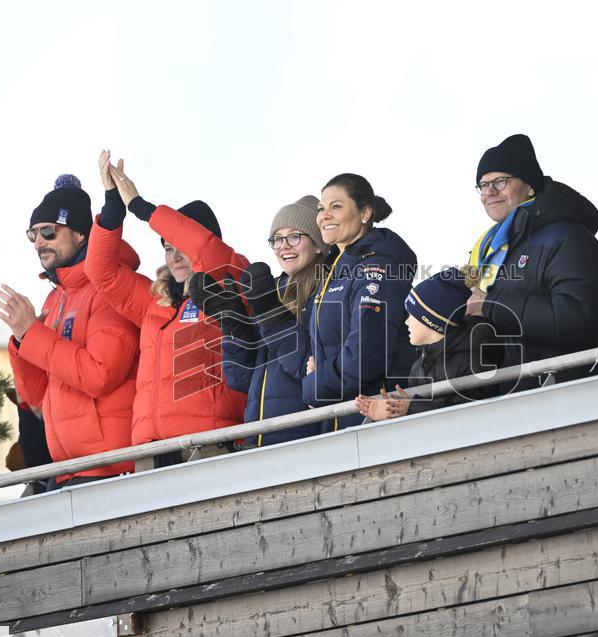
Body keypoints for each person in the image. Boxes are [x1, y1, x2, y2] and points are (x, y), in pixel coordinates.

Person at [85, 152, 248, 464]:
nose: (173, 257)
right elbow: (100, 272)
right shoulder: (155, 301)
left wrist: (142, 209)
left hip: (208, 444)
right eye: (167, 249)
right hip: (151, 450)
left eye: (180, 247)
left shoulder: (231, 279)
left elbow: (207, 250)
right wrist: (112, 210)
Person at [0, 174, 140, 487]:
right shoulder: (56, 297)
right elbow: (37, 399)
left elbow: (100, 374)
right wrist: (22, 340)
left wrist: (33, 334)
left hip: (110, 469)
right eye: (33, 233)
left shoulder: (108, 289)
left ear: (81, 235)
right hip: (69, 469)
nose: (38, 242)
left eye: (48, 231)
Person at [467, 134, 598, 390]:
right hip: (509, 394)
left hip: (560, 394)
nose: (489, 192)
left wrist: (491, 305)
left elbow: (577, 319)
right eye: (483, 184)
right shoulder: (492, 247)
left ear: (530, 186)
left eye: (500, 181)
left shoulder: (568, 237)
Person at [207, 196, 327, 448]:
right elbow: (240, 379)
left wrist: (274, 318)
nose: (284, 246)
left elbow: (311, 369)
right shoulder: (269, 292)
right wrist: (234, 327)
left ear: (317, 244)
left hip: (304, 437)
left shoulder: (326, 293)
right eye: (277, 239)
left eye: (294, 236)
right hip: (259, 436)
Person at [303, 173, 417, 431]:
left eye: (336, 206)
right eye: (321, 208)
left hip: (375, 418)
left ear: (365, 214)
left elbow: (367, 353)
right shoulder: (336, 268)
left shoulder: (376, 266)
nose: (324, 216)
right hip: (341, 417)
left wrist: (314, 386)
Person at [356, 268, 502, 421]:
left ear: (431, 320)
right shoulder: (419, 366)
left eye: (412, 314)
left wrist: (411, 408)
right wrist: (393, 412)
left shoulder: (472, 362)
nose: (406, 321)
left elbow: (474, 419)